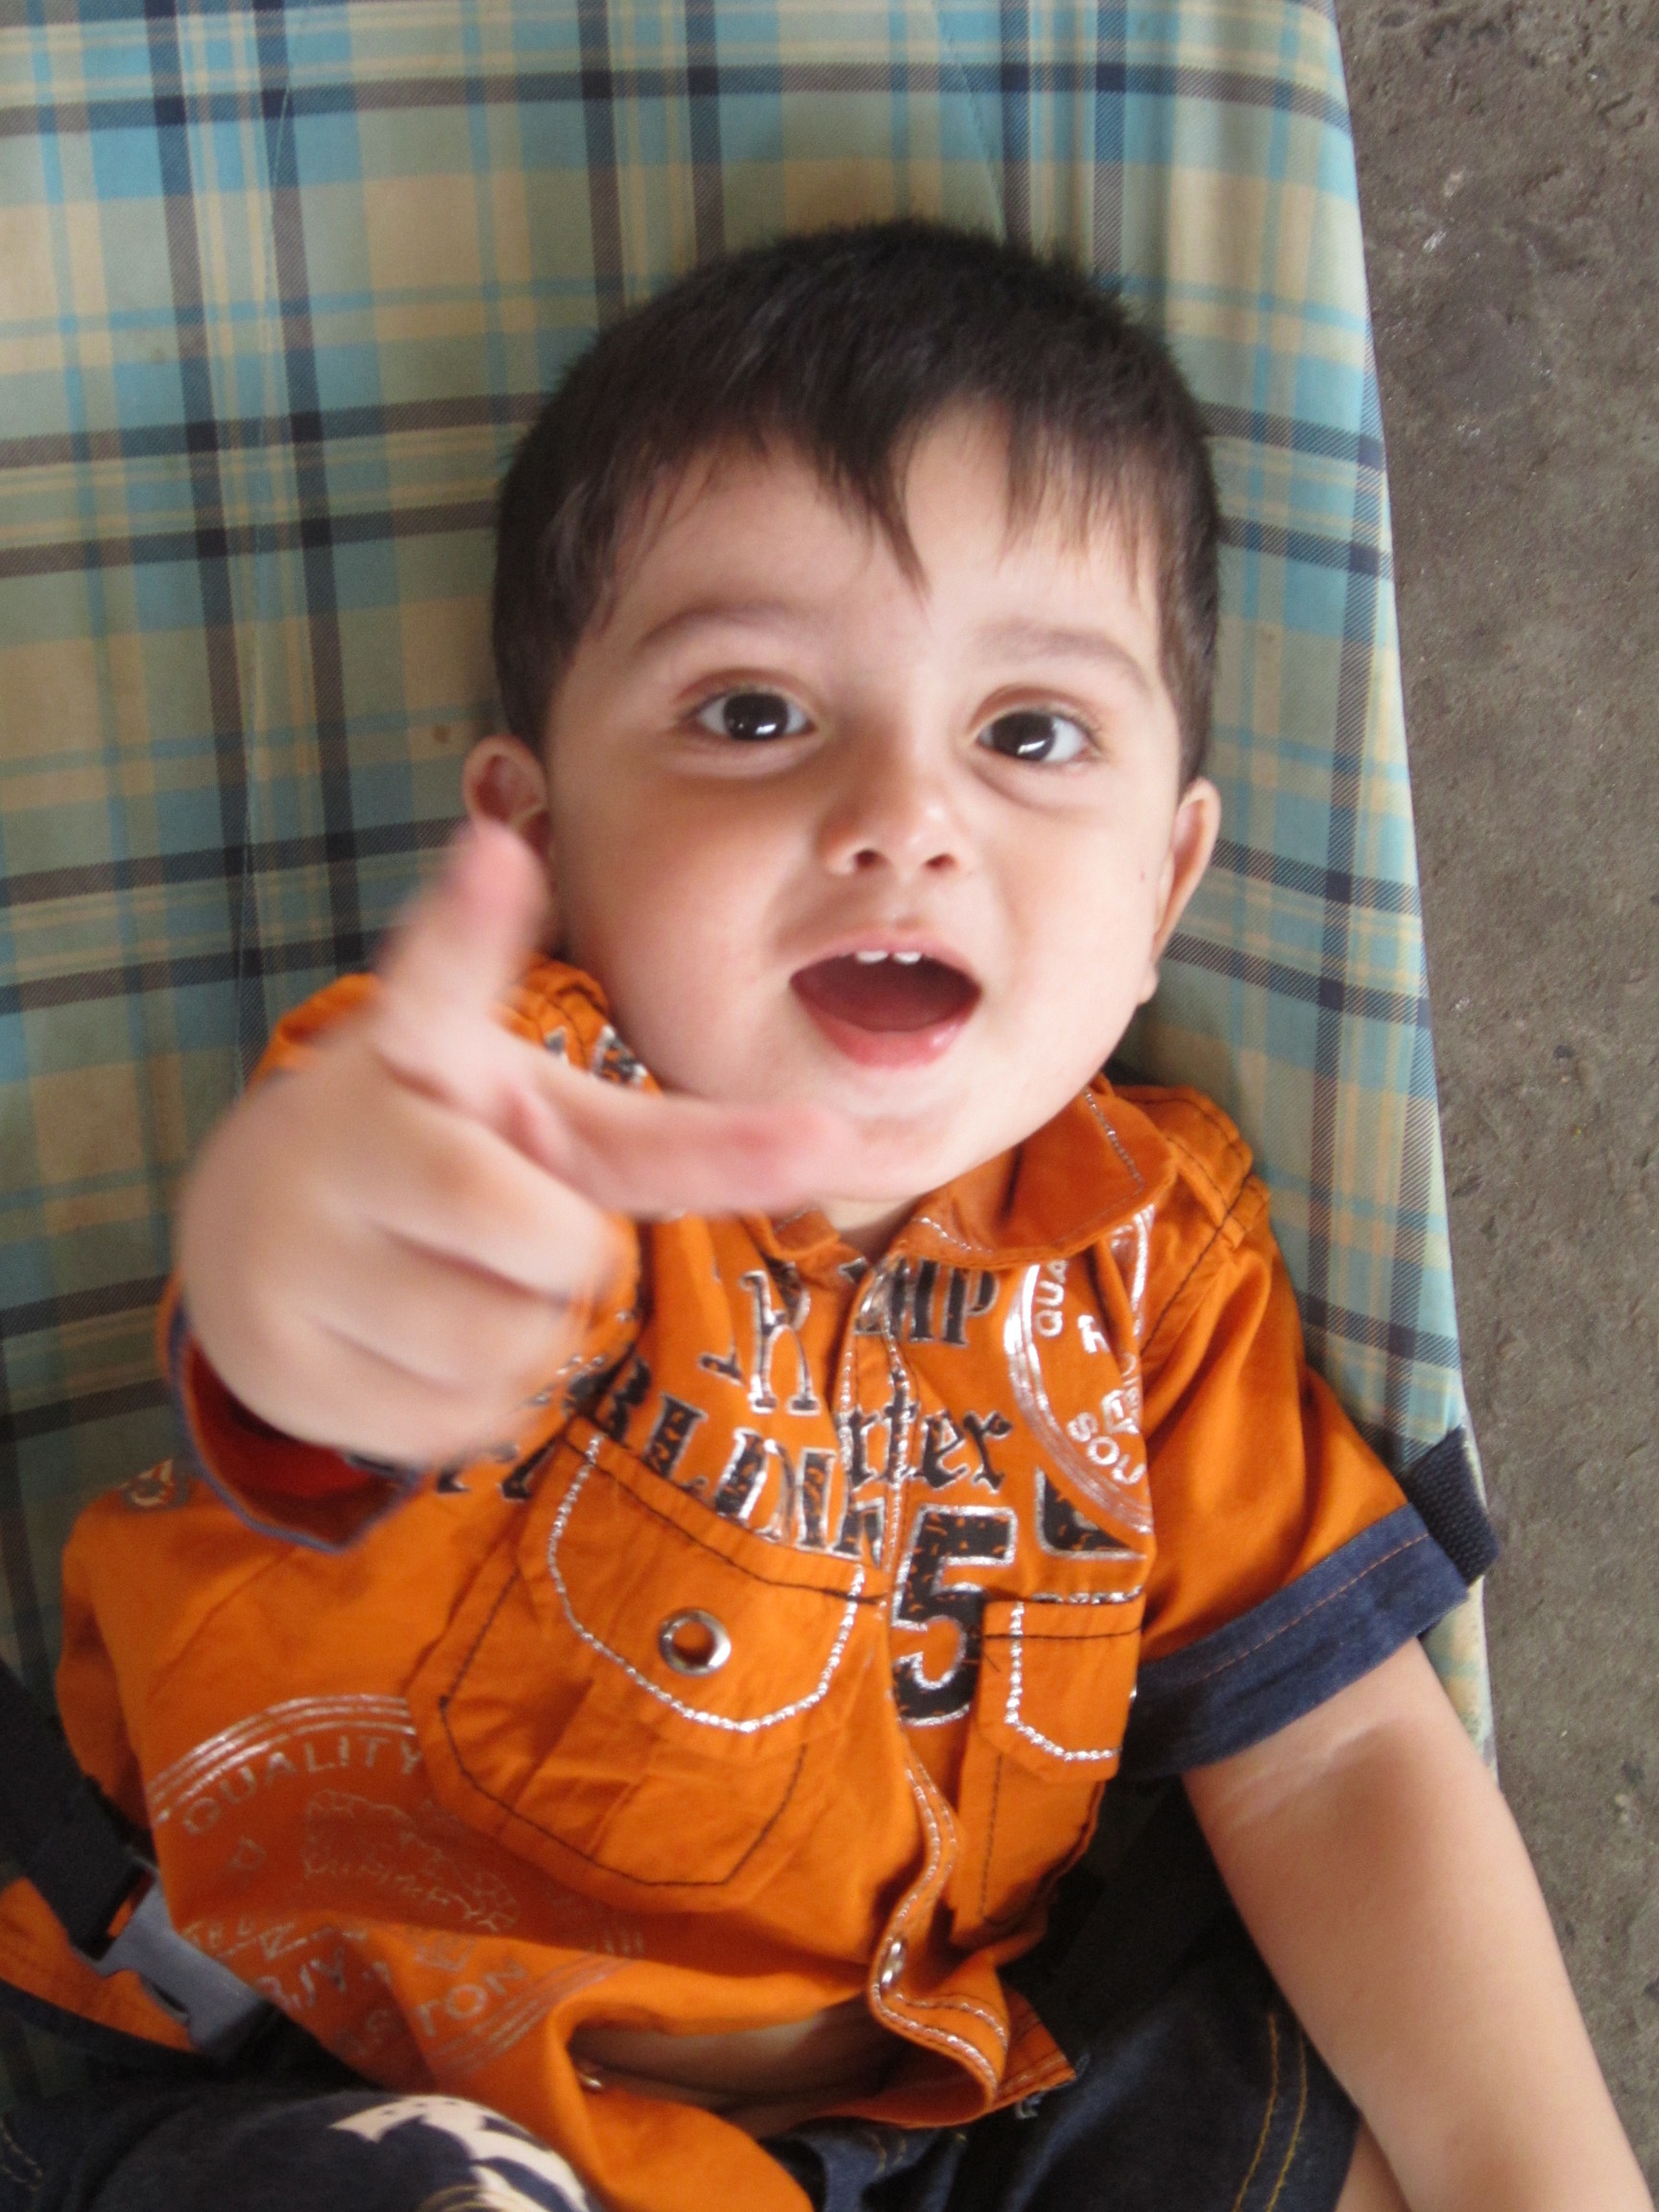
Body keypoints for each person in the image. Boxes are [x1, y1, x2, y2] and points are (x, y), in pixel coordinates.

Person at [0, 223, 1647, 2212]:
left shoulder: (1158, 1262)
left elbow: (1333, 1760)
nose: (902, 817)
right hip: (326, 2068)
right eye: (754, 715)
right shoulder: (511, 1107)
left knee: (1326, 2136)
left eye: (1029, 734)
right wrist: (336, 1272)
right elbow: (304, 1315)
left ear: (1163, 888)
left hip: (947, 2110)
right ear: (539, 841)